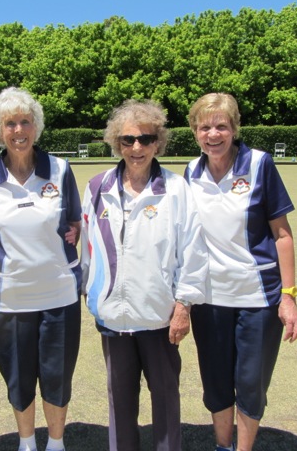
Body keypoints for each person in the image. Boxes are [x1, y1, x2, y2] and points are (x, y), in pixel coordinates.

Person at [80, 99, 208, 451]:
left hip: (159, 317)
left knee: (165, 399)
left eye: (146, 139)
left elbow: (193, 253)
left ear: (158, 142)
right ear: (116, 143)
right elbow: (88, 251)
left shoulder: (177, 188)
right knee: (119, 402)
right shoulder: (96, 187)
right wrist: (92, 295)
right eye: (127, 140)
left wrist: (183, 305)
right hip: (113, 317)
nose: (136, 147)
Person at [184, 93, 297, 451]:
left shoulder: (260, 164)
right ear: (195, 132)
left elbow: (282, 235)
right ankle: (223, 445)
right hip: (210, 298)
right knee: (216, 382)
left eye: (221, 126)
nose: (213, 134)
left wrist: (289, 296)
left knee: (250, 382)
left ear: (235, 128)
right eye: (204, 127)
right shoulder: (190, 172)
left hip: (258, 298)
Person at [0, 87, 82, 451]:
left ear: (36, 127)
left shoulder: (61, 169)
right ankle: (26, 441)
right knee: (18, 377)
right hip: (9, 296)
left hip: (59, 293)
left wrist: (77, 229)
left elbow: (73, 221)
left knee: (57, 373)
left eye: (25, 122)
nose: (18, 130)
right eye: (10, 123)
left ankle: (55, 441)